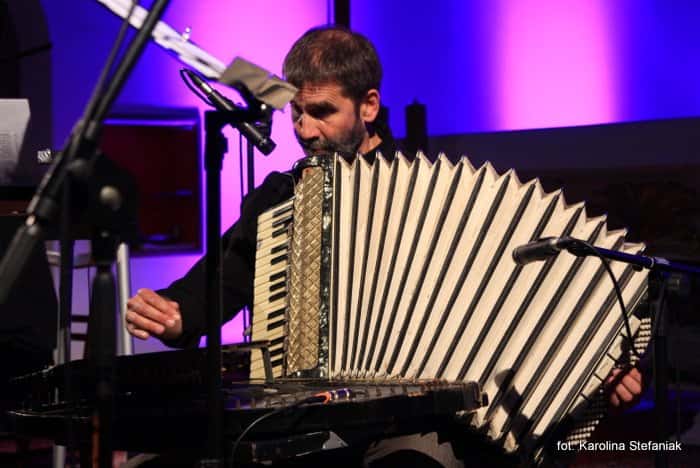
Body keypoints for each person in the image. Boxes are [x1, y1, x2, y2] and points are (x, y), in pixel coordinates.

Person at [125, 25, 644, 466]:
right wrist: (178, 313)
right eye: (296, 113)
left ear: (368, 105)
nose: (305, 130)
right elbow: (224, 278)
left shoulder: (438, 194)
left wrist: (597, 367)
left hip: (418, 424)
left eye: (322, 111)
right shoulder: (281, 199)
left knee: (412, 461)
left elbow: (528, 303)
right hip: (305, 417)